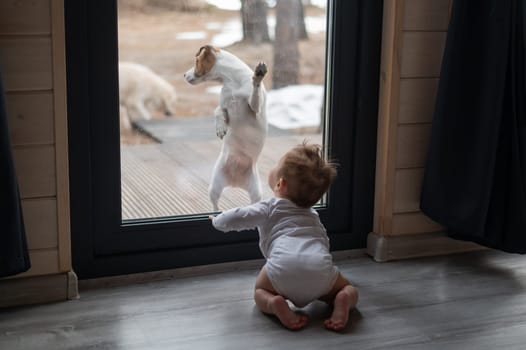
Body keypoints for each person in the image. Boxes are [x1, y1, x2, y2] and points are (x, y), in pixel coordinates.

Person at [210, 142, 358, 331]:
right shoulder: (313, 215)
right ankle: (342, 301)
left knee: (260, 291)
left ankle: (274, 303)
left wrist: (218, 220)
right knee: (347, 289)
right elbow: (323, 242)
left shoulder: (270, 207)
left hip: (282, 269)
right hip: (319, 269)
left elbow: (240, 216)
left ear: (280, 184)